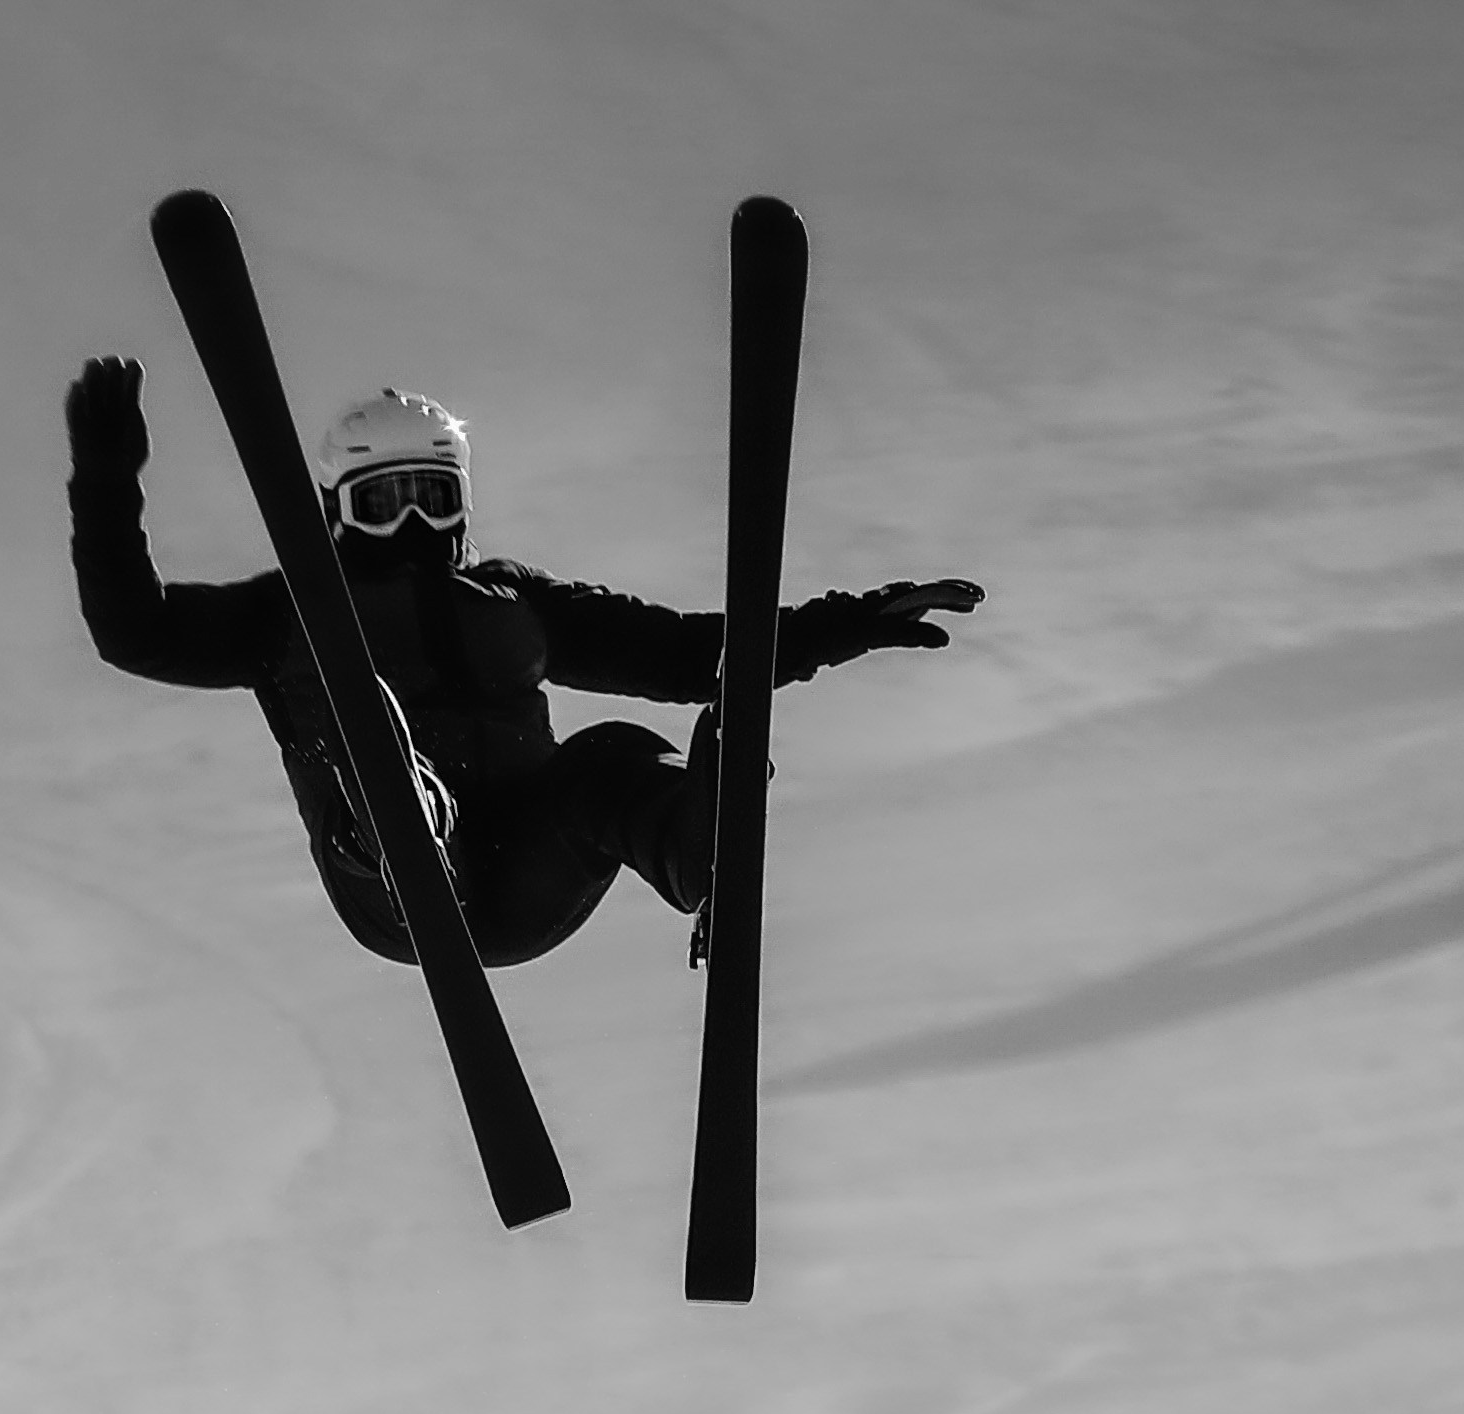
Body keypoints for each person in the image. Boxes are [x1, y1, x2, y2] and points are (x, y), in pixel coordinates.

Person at [65, 362, 981, 965]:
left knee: (613, 749)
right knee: (363, 722)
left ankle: (698, 849)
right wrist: (107, 484)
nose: (415, 524)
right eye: (386, 502)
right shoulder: (291, 612)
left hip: (527, 873)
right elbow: (136, 632)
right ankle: (407, 819)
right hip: (392, 883)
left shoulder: (514, 600)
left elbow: (691, 653)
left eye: (433, 496)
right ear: (341, 510)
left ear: (462, 501)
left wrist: (851, 624)